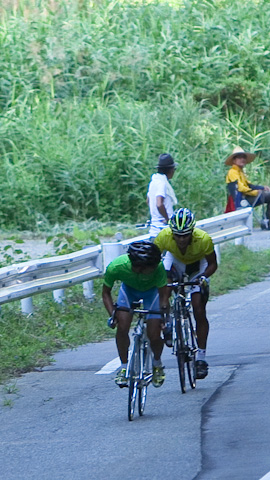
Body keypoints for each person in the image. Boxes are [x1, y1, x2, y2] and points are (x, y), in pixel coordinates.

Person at [154, 208, 218, 379]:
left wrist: (203, 277)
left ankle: (201, 359)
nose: (181, 239)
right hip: (174, 260)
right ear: (172, 233)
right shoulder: (164, 236)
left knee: (198, 308)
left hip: (198, 267)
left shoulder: (203, 239)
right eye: (177, 235)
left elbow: (213, 264)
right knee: (165, 286)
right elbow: (154, 261)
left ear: (192, 232)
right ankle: (167, 322)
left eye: (185, 235)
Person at [102, 241, 170, 388]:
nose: (151, 270)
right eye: (149, 268)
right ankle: (124, 366)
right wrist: (112, 314)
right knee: (122, 327)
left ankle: (157, 364)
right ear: (138, 266)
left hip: (152, 294)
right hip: (129, 291)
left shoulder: (158, 267)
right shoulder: (117, 266)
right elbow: (105, 293)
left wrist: (164, 316)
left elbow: (164, 295)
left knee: (154, 333)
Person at [225, 146, 270, 230]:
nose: (242, 159)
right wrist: (255, 192)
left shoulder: (240, 171)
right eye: (239, 157)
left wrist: (262, 188)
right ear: (234, 160)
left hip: (246, 197)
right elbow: (241, 188)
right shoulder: (232, 172)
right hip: (241, 200)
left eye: (244, 157)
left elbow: (249, 185)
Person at [147, 153, 178, 238]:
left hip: (154, 231)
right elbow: (159, 204)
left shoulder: (153, 182)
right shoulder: (162, 184)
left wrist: (155, 215)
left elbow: (148, 201)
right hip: (164, 231)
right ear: (170, 170)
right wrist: (168, 219)